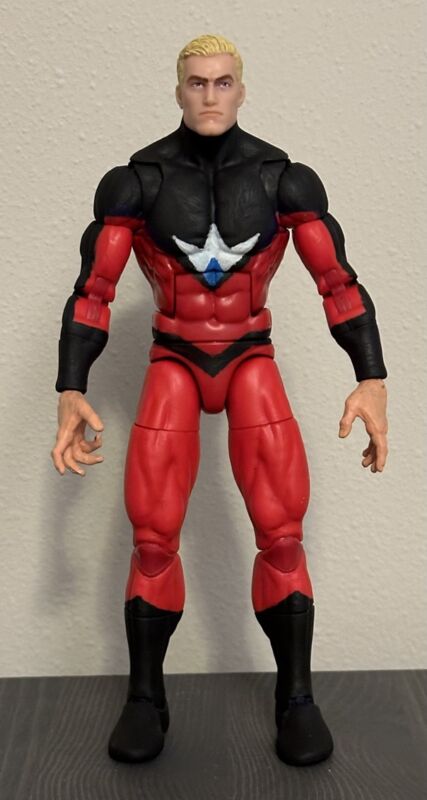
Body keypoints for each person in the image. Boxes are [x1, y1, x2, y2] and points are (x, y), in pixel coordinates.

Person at [51, 34, 388, 767]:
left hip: (249, 357)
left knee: (283, 532)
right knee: (151, 538)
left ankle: (296, 698)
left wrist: (371, 376)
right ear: (178, 90)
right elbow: (94, 291)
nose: (210, 94)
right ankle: (146, 696)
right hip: (173, 358)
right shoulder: (136, 182)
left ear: (242, 88)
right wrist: (71, 387)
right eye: (197, 82)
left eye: (223, 81)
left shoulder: (282, 179)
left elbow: (337, 280)